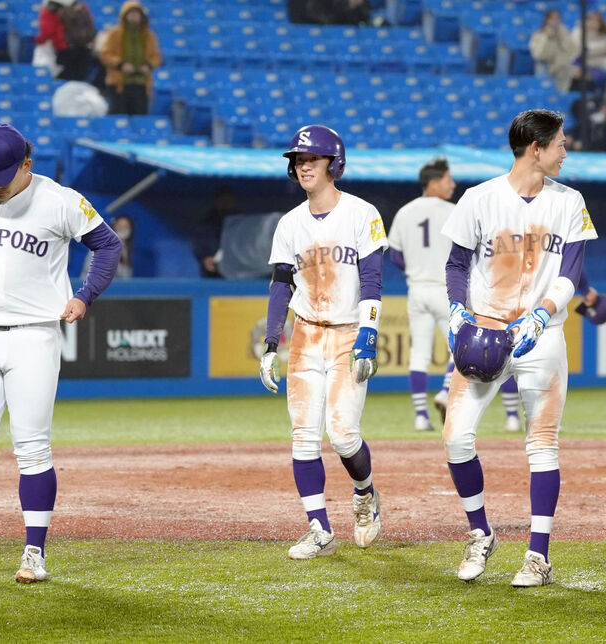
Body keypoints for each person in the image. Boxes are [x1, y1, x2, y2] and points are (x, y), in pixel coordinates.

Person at [0, 123, 122, 583]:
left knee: (32, 449)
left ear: (27, 164)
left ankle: (34, 552)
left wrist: (86, 294)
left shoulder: (60, 199)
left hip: (34, 335)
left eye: (4, 173)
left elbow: (108, 244)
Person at [441, 109, 597, 587]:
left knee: (542, 443)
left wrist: (542, 313)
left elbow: (571, 272)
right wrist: (454, 311)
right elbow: (455, 265)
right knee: (455, 439)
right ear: (536, 147)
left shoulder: (570, 200)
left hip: (542, 333)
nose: (565, 152)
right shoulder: (478, 198)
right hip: (483, 331)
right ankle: (480, 533)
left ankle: (538, 555)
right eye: (560, 144)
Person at [258, 124, 386, 560]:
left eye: (311, 159)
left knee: (345, 435)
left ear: (335, 163)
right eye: (298, 160)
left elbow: (372, 279)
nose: (303, 166)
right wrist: (271, 343)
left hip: (350, 331)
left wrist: (369, 333)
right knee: (303, 437)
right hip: (307, 334)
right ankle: (319, 528)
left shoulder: (362, 212)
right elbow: (280, 285)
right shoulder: (290, 223)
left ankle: (365, 492)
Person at [388, 157, 458, 432]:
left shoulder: (405, 212)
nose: (453, 185)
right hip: (445, 289)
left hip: (416, 289)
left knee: (419, 353)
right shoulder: (454, 211)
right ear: (434, 182)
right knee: (459, 348)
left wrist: (414, 268)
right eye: (448, 180)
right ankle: (444, 391)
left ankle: (420, 416)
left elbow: (394, 254)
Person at [99, 0, 162, 116]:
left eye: (136, 14)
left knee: (140, 116)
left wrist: (148, 65)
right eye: (131, 14)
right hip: (119, 83)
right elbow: (106, 54)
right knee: (118, 116)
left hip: (141, 84)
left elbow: (156, 56)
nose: (134, 17)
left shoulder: (149, 36)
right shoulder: (115, 34)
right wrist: (120, 64)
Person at [35, 0, 95, 81]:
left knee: (62, 83)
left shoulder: (50, 9)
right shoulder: (80, 6)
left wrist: (37, 41)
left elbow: (47, 31)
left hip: (64, 49)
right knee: (78, 82)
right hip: (84, 49)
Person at [528, 8, 578, 93]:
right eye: (552, 18)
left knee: (567, 70)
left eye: (557, 18)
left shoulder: (564, 32)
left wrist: (561, 35)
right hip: (545, 65)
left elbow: (572, 50)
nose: (555, 21)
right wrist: (548, 39)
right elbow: (539, 55)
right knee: (541, 68)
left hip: (562, 67)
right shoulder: (539, 35)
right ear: (546, 20)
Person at [570, 10, 606, 87]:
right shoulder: (578, 32)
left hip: (602, 63)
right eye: (591, 20)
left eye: (597, 21)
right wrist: (602, 47)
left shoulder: (603, 34)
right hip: (583, 65)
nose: (593, 23)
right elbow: (581, 51)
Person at [195, 185, 237, 278]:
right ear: (216, 202)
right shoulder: (208, 223)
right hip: (214, 270)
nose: (226, 204)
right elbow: (201, 243)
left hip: (240, 269)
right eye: (222, 200)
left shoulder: (242, 221)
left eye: (229, 200)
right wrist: (206, 258)